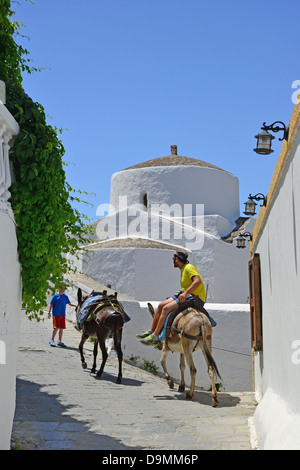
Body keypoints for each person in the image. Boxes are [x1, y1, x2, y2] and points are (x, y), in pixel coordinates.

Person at [137, 250, 216, 346]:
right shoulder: (183, 269)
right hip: (187, 295)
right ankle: (151, 331)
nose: (173, 261)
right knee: (161, 305)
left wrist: (185, 293)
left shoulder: (189, 268)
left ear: (177, 259)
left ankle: (155, 337)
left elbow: (197, 281)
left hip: (195, 298)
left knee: (166, 309)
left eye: (173, 259)